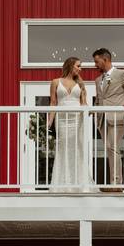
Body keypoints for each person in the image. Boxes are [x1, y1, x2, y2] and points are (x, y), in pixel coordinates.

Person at [92, 48, 124, 192]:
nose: (95, 65)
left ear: (105, 59)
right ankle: (112, 182)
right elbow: (100, 99)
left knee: (113, 147)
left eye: (97, 61)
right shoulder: (97, 80)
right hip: (102, 119)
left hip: (117, 117)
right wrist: (93, 111)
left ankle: (116, 184)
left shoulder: (121, 74)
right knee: (109, 149)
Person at [48, 57, 92, 192]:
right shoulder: (55, 82)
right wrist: (49, 122)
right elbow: (53, 103)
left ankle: (79, 184)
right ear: (71, 65)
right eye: (78, 66)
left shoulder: (80, 84)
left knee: (77, 148)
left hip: (77, 120)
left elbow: (84, 103)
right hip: (62, 120)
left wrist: (88, 111)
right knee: (63, 148)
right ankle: (62, 184)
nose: (80, 69)